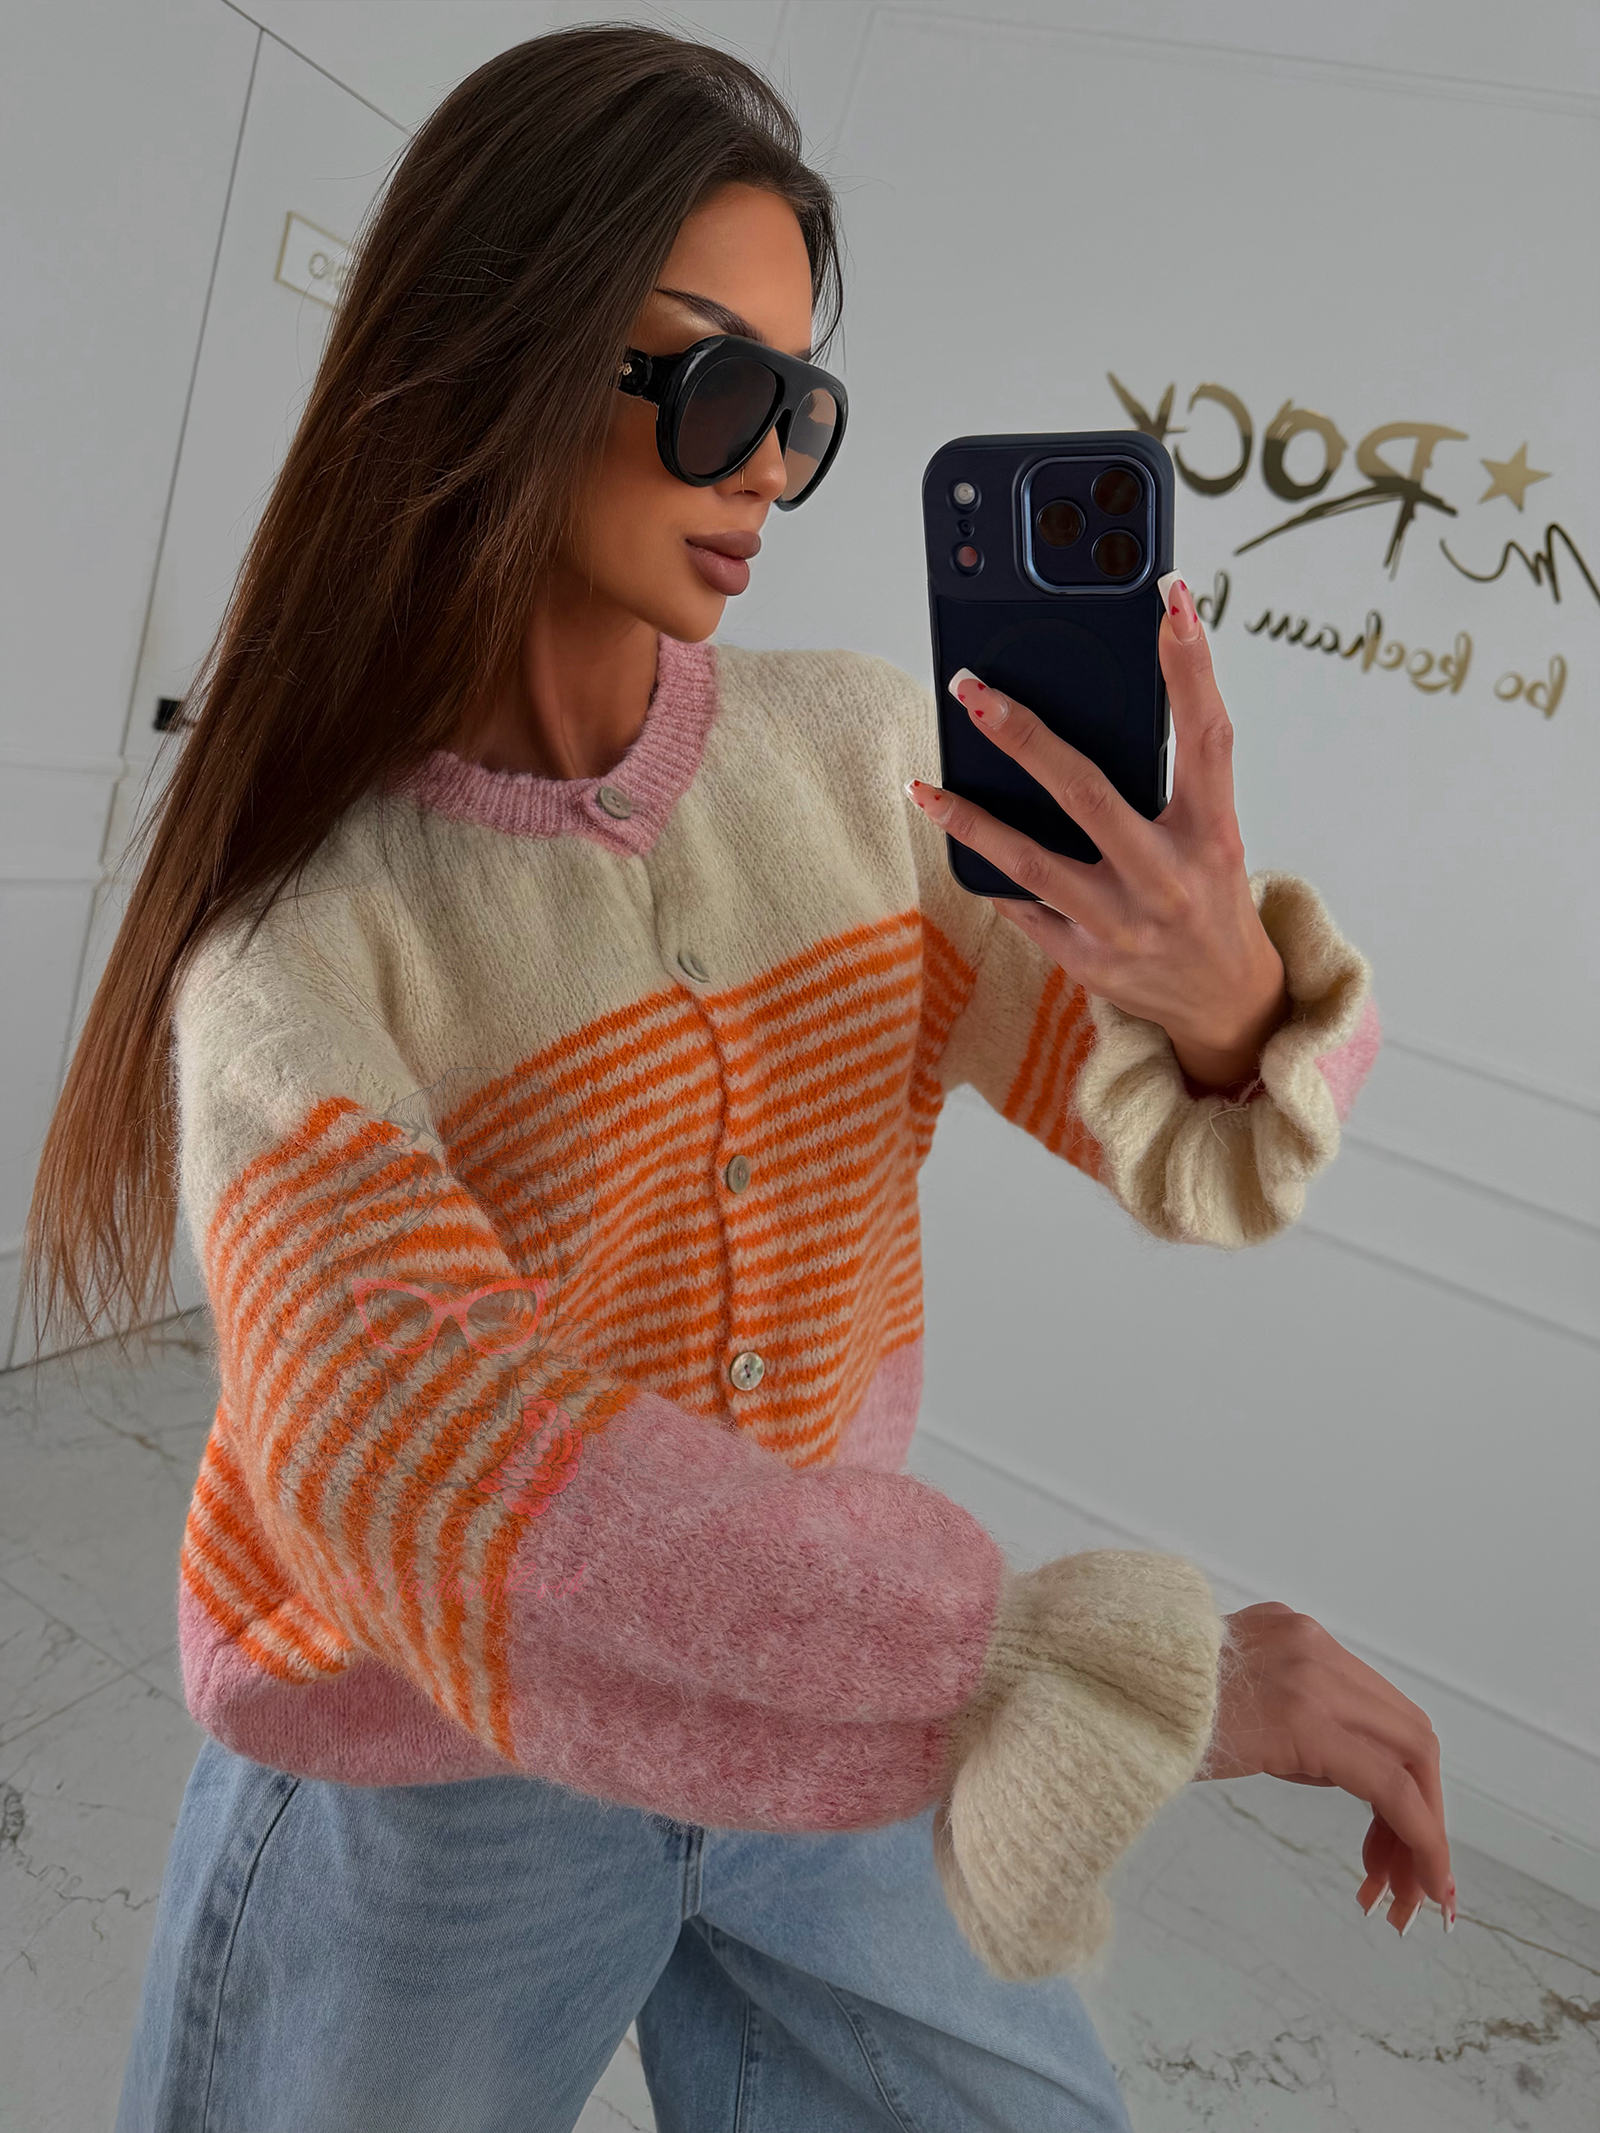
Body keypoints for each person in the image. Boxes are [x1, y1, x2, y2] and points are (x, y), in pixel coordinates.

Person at [22, 24, 1453, 2133]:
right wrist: (1070, 1665)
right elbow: (418, 1452)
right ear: (493, 350)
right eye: (713, 389)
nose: (768, 466)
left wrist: (1226, 996)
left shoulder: (862, 764)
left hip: (829, 1729)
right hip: (437, 1797)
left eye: (800, 406)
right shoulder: (298, 946)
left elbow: (1167, 1128)